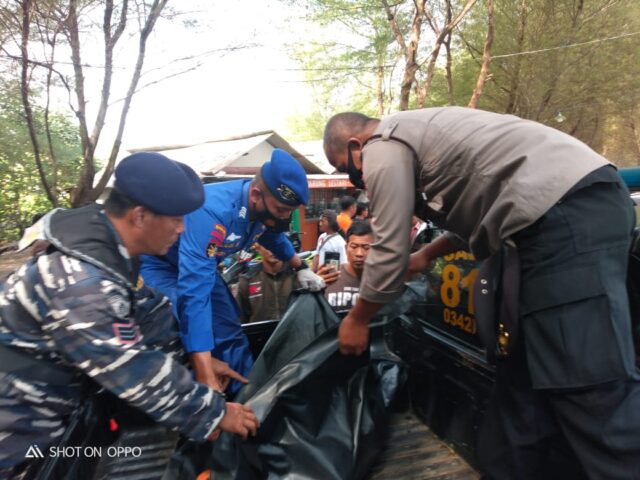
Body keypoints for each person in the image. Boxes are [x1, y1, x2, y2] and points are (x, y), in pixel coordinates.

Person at [323, 108, 640, 478]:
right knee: (521, 394)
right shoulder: (423, 138)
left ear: (356, 144)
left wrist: (358, 319)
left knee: (589, 389)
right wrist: (426, 254)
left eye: (346, 168)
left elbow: (388, 248)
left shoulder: (384, 143)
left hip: (566, 221)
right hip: (548, 224)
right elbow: (480, 215)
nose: (357, 181)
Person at [0, 152, 259, 478]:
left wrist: (191, 362)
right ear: (139, 217)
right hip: (18, 428)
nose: (182, 229)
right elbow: (133, 370)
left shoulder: (110, 244)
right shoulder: (82, 281)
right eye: (176, 219)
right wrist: (216, 413)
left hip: (60, 408)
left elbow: (144, 320)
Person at [140, 149, 325, 393]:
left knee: (228, 328)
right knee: (177, 320)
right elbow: (194, 295)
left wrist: (299, 266)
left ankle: (246, 396)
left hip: (201, 267)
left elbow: (273, 236)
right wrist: (205, 371)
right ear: (257, 194)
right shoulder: (213, 212)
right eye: (281, 209)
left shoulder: (262, 208)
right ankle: (198, 395)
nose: (284, 216)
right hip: (161, 265)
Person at [235, 243, 299, 323]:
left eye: (278, 246)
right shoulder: (248, 279)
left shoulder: (297, 276)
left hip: (293, 333)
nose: (274, 251)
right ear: (258, 248)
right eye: (269, 246)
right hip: (261, 334)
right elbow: (240, 319)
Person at [318, 220, 372, 315]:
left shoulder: (382, 280)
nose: (359, 253)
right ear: (346, 248)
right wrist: (316, 287)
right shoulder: (330, 276)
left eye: (366, 247)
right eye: (354, 246)